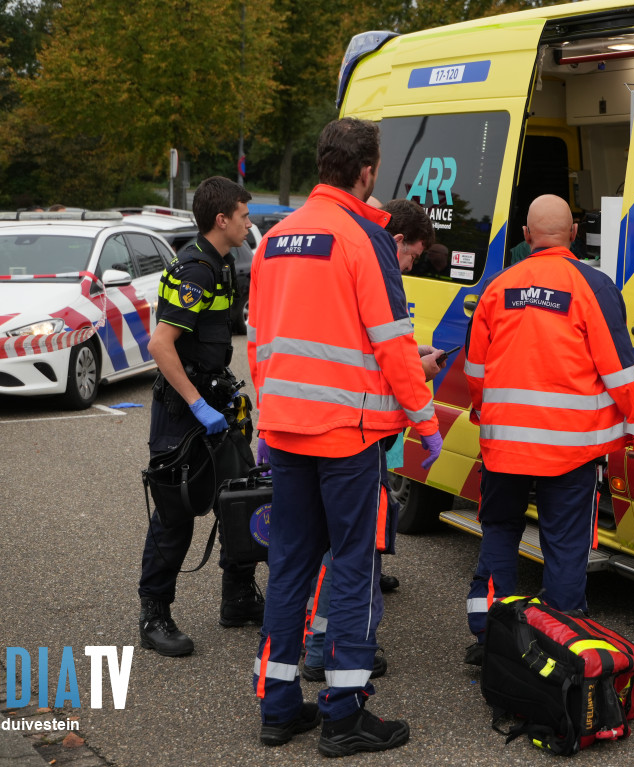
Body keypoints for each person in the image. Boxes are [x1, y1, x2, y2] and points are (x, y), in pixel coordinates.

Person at [248, 118, 442, 756]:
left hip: (287, 430)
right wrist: (424, 419)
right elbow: (392, 341)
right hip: (346, 436)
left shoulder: (272, 239)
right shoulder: (364, 239)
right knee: (353, 567)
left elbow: (260, 342)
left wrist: (264, 418)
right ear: (366, 172)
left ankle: (278, 707)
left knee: (289, 569)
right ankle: (344, 714)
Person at [461, 194, 634, 665]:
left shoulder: (498, 287)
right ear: (573, 234)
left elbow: (475, 369)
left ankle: (491, 637)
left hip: (505, 446)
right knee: (565, 546)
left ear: (526, 237)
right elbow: (620, 369)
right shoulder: (594, 286)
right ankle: (559, 643)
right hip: (571, 450)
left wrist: (483, 412)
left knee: (500, 531)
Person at [298, 197, 442, 683]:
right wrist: (425, 415)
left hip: (308, 427)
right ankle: (331, 653)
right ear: (397, 241)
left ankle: (318, 646)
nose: (408, 267)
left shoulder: (315, 255)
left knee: (328, 547)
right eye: (412, 258)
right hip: (355, 433)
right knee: (351, 551)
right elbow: (376, 361)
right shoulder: (372, 266)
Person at [137, 176, 264, 657]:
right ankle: (154, 614)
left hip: (215, 402)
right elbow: (160, 345)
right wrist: (196, 404)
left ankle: (237, 598)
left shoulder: (223, 263)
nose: (249, 223)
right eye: (245, 216)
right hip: (183, 413)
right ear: (222, 219)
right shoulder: (196, 269)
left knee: (242, 501)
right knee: (175, 517)